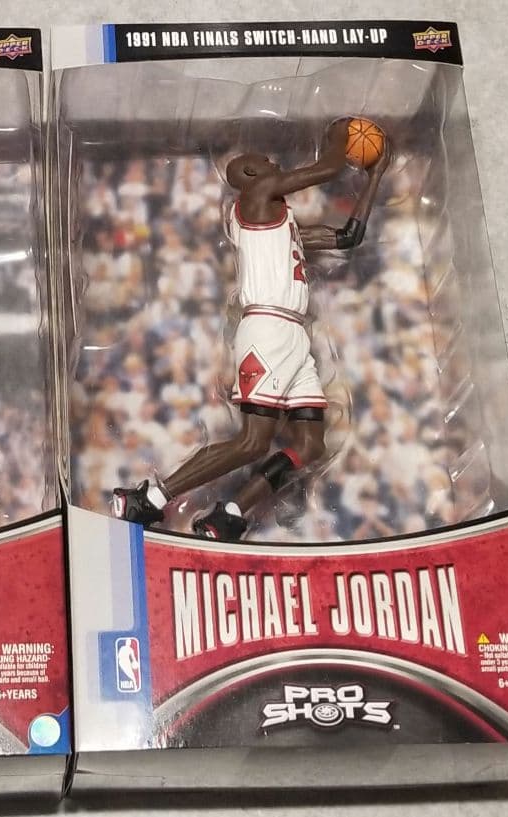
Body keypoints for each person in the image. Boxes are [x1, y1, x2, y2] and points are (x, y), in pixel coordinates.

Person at [112, 119, 391, 541]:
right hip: (268, 327)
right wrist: (342, 133)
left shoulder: (283, 227)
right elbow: (329, 168)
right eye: (266, 162)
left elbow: (349, 236)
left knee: (311, 444)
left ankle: (230, 514)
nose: (273, 163)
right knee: (252, 442)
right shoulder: (256, 196)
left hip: (293, 333)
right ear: (250, 173)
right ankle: (149, 498)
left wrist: (376, 176)